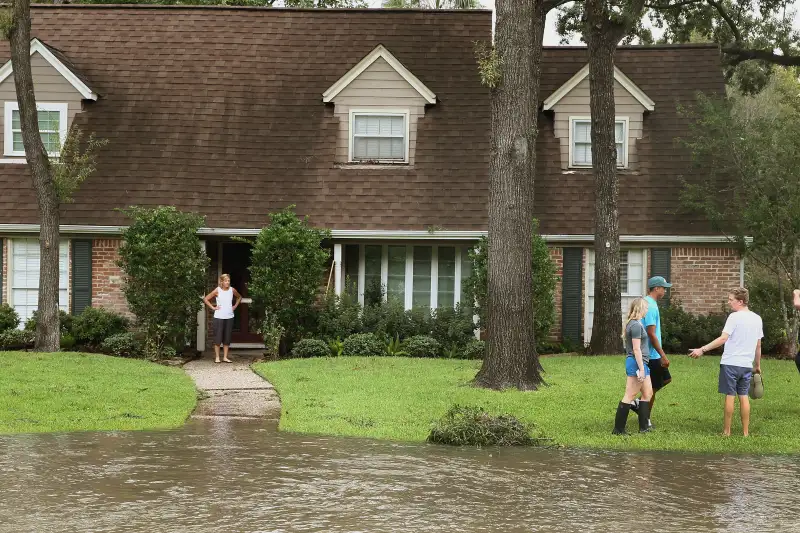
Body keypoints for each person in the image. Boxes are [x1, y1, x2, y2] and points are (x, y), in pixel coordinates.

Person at [689, 287, 763, 437]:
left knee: (730, 395)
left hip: (730, 363)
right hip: (746, 365)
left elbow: (723, 338)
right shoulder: (757, 318)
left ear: (740, 301)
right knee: (743, 396)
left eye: (731, 300)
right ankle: (745, 433)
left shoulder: (734, 317)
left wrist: (702, 349)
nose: (729, 302)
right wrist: (757, 365)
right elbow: (758, 345)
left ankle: (726, 432)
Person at [632, 276, 672, 429]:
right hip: (651, 354)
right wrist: (662, 355)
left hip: (652, 354)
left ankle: (638, 404)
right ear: (656, 288)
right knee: (650, 389)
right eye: (663, 287)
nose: (665, 290)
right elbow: (651, 333)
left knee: (665, 380)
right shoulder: (651, 306)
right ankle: (645, 417)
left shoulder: (650, 303)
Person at [613, 297, 653, 435]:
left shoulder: (637, 323)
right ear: (640, 308)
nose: (647, 310)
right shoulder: (635, 325)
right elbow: (636, 349)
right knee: (630, 394)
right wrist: (641, 369)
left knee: (648, 393)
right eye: (646, 307)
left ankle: (644, 428)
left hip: (642, 363)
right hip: (637, 363)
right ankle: (618, 430)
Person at [203, 274, 242, 364]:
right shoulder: (217, 290)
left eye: (228, 280)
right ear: (221, 282)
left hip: (229, 317)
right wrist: (213, 308)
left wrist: (235, 306)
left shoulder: (232, 290)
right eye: (225, 281)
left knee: (227, 338)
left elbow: (239, 297)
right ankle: (217, 357)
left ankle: (225, 357)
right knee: (218, 338)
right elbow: (206, 299)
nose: (227, 282)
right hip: (219, 317)